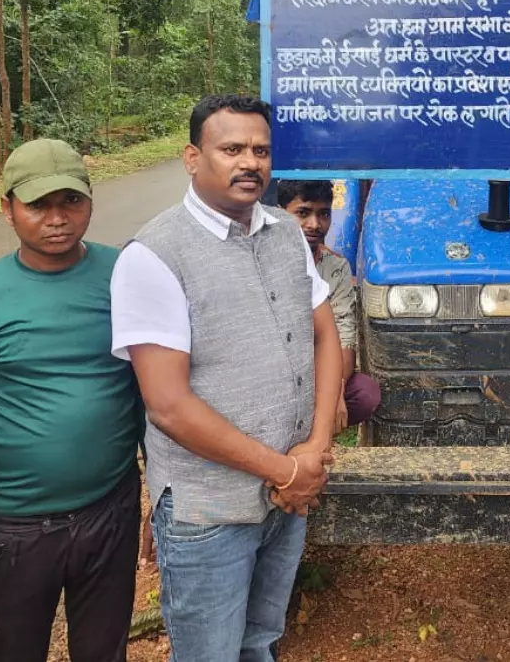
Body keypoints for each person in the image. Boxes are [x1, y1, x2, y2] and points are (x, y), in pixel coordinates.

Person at [110, 94, 344, 661]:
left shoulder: (285, 232)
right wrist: (286, 471)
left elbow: (325, 335)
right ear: (192, 158)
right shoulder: (154, 256)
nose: (249, 163)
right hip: (208, 510)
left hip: (286, 498)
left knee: (260, 641)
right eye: (231, 149)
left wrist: (315, 447)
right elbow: (168, 406)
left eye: (260, 151)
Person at [0, 139, 144, 662]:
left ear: (90, 200)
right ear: (7, 208)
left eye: (71, 201)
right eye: (38, 205)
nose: (57, 219)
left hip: (112, 510)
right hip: (14, 529)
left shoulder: (126, 275)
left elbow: (150, 392)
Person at [275, 179, 381, 432]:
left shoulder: (336, 267)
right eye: (303, 213)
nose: (314, 224)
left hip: (319, 368)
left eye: (323, 214)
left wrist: (333, 392)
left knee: (365, 393)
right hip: (274, 371)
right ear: (280, 213)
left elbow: (345, 337)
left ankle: (316, 426)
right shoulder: (262, 259)